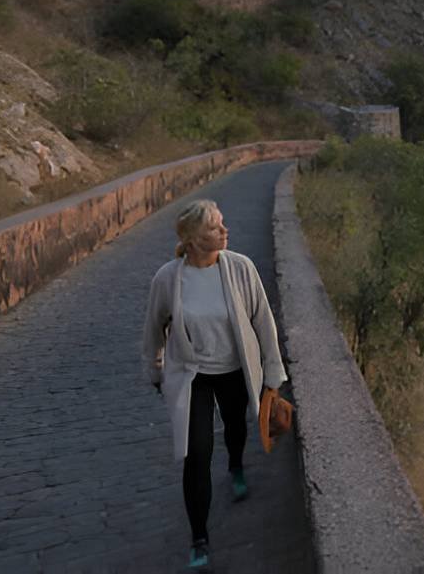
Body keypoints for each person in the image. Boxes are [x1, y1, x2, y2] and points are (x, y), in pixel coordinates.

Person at [141, 199, 287, 570]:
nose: (224, 231)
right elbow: (154, 330)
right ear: (191, 240)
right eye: (213, 228)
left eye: (222, 224)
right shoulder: (168, 278)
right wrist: (156, 370)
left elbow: (264, 323)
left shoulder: (241, 268)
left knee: (236, 427)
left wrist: (273, 376)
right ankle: (199, 537)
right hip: (194, 377)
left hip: (236, 369)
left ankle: (236, 465)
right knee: (197, 454)